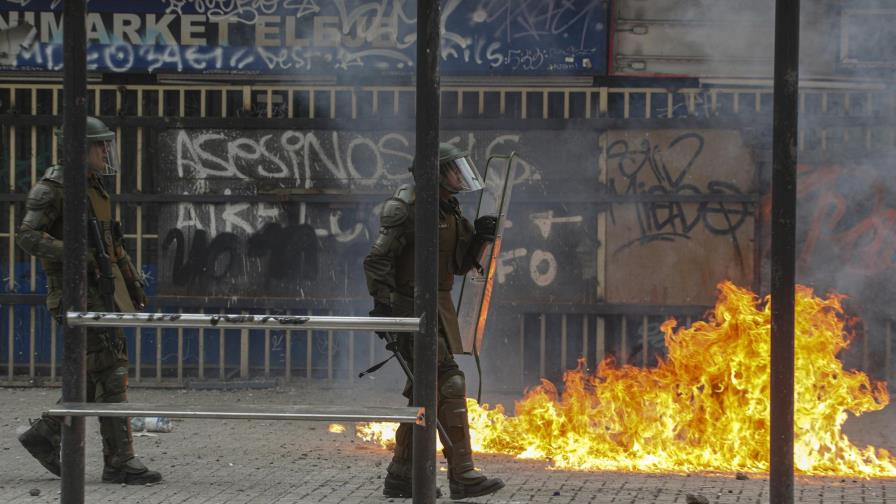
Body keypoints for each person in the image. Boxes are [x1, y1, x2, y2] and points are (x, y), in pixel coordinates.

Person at [15, 116, 162, 485]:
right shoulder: (53, 188)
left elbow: (111, 242)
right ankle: (118, 460)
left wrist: (131, 278)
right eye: (98, 145)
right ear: (78, 148)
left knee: (97, 376)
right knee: (110, 374)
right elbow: (28, 237)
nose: (104, 151)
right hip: (74, 293)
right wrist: (75, 252)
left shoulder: (94, 187)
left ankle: (48, 434)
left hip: (102, 290)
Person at [364, 142, 505, 499]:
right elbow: (377, 261)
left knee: (423, 392)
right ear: (435, 173)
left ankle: (401, 475)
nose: (460, 176)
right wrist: (384, 310)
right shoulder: (406, 209)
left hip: (439, 310)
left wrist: (481, 240)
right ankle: (463, 475)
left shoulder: (451, 209)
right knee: (449, 383)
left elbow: (457, 266)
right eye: (453, 169)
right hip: (410, 309)